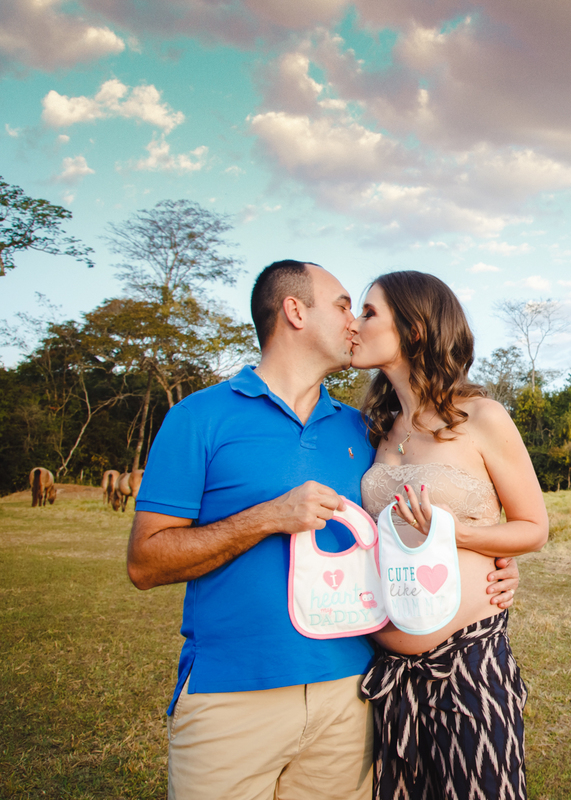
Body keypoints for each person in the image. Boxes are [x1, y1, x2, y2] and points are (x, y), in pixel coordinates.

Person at [126, 260, 521, 800]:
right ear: (294, 311)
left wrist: (491, 561)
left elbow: (417, 517)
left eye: (363, 311)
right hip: (234, 694)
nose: (353, 322)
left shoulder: (366, 429)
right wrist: (266, 518)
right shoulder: (199, 417)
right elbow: (145, 563)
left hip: (354, 695)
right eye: (343, 306)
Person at [349, 271, 549, 800]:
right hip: (388, 675)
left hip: (469, 667)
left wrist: (450, 533)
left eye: (369, 312)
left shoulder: (482, 416)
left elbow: (534, 528)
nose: (355, 323)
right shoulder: (376, 428)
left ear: (415, 329)